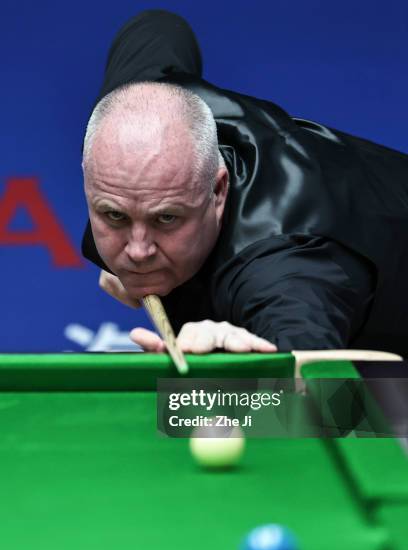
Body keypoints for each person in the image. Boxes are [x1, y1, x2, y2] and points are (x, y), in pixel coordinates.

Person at [82, 10, 408, 355]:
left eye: (166, 218)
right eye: (115, 216)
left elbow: (333, 400)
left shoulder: (284, 275)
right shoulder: (137, 102)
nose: (138, 251)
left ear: (218, 190)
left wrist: (235, 384)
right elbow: (159, 26)